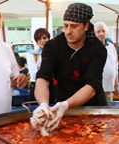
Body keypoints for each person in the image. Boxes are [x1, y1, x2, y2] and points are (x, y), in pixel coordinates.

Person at [31, 3, 107, 135]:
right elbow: (43, 77)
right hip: (61, 106)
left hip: (92, 108)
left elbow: (92, 85)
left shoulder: (98, 49)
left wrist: (66, 105)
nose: (68, 31)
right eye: (65, 25)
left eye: (74, 26)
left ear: (86, 26)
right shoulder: (52, 46)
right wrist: (43, 104)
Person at [94, 21, 119, 101]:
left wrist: (116, 85)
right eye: (98, 31)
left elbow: (115, 66)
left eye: (103, 31)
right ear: (94, 33)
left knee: (108, 111)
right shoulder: (89, 48)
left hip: (109, 88)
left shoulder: (111, 47)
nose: (101, 33)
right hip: (94, 90)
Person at [26, 28, 51, 102]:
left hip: (51, 86)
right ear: (36, 41)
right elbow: (33, 74)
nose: (42, 40)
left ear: (48, 39)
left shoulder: (54, 52)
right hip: (36, 84)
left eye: (44, 38)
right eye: (39, 39)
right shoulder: (32, 54)